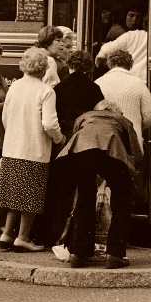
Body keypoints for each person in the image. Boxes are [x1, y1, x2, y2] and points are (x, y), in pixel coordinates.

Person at [55, 99, 144, 268]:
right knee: (122, 199)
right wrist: (132, 173)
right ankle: (114, 253)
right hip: (112, 151)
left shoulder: (84, 117)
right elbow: (136, 152)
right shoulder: (123, 120)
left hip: (81, 153)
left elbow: (77, 139)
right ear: (116, 111)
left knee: (84, 197)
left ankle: (78, 253)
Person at [0, 47, 65, 252]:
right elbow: (50, 124)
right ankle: (23, 237)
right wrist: (59, 139)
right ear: (44, 69)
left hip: (12, 148)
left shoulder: (15, 87)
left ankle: (7, 234)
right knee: (30, 196)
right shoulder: (46, 91)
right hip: (34, 149)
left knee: (14, 195)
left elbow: (5, 118)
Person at [40, 50, 105, 250]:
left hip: (63, 139)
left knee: (58, 188)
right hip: (84, 138)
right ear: (88, 68)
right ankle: (76, 236)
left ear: (70, 66)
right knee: (83, 188)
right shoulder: (94, 89)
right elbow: (99, 114)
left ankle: (53, 233)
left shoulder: (59, 88)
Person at [94, 49, 151, 144]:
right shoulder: (138, 84)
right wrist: (138, 125)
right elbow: (149, 117)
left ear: (109, 64)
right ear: (129, 65)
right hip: (132, 141)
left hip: (104, 141)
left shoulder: (98, 83)